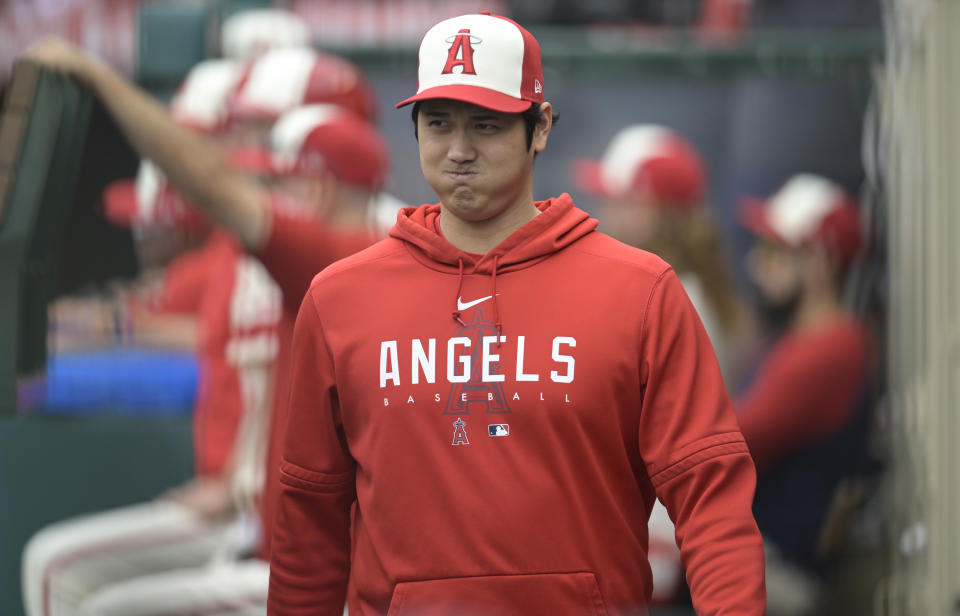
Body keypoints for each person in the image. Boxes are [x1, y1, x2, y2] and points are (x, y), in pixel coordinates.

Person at [268, 11, 764, 615]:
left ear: (541, 127)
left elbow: (710, 497)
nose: (459, 150)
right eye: (439, 124)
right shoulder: (340, 298)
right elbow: (309, 522)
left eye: (486, 124)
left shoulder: (640, 292)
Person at [21, 37, 394, 613]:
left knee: (88, 590)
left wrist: (101, 78)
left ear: (316, 186)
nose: (246, 166)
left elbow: (215, 188)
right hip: (275, 533)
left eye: (276, 178)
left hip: (327, 564)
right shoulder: (348, 252)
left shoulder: (350, 259)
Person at [735, 173, 874, 615]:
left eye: (775, 251)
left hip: (779, 573)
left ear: (819, 263)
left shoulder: (829, 348)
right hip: (757, 555)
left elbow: (732, 445)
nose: (757, 265)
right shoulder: (798, 338)